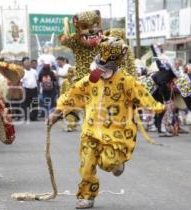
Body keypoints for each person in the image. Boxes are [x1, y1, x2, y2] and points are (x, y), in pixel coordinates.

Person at [48, 37, 165, 209]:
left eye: (105, 69)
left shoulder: (126, 81)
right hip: (90, 131)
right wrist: (56, 112)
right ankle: (87, 196)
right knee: (87, 164)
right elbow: (74, 93)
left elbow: (142, 96)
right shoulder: (93, 77)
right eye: (99, 67)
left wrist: (158, 107)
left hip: (116, 132)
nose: (100, 72)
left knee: (108, 163)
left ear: (115, 64)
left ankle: (118, 163)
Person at [20, 57, 38, 121]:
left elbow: (37, 80)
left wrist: (37, 88)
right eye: (26, 62)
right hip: (26, 89)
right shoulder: (22, 72)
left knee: (35, 103)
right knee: (25, 104)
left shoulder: (34, 71)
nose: (28, 63)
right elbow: (21, 82)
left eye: (28, 62)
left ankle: (34, 117)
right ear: (23, 64)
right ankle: (27, 117)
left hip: (34, 89)